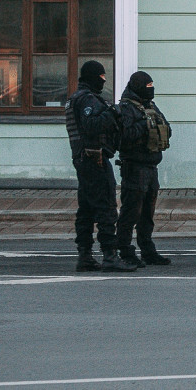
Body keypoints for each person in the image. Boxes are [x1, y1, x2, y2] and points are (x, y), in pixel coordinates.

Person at [64, 60, 136, 273]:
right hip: (94, 159)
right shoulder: (87, 100)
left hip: (83, 160)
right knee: (106, 207)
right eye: (101, 78)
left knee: (86, 209)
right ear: (92, 78)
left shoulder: (74, 99)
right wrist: (112, 112)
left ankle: (85, 256)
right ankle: (109, 255)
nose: (102, 82)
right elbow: (92, 126)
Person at [114, 71, 172, 268]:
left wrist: (154, 123)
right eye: (147, 86)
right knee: (131, 212)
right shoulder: (126, 108)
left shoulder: (150, 106)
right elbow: (126, 135)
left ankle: (147, 250)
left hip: (151, 166)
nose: (151, 90)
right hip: (134, 167)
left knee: (147, 213)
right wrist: (146, 125)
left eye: (152, 86)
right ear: (138, 87)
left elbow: (167, 128)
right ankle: (125, 250)